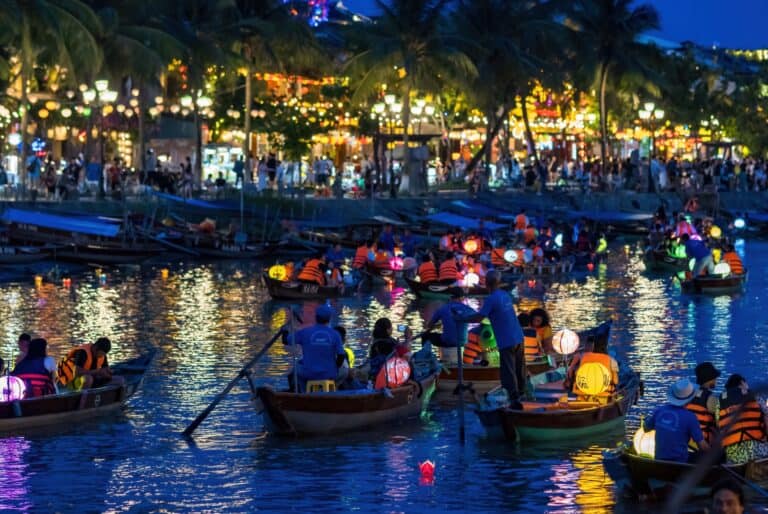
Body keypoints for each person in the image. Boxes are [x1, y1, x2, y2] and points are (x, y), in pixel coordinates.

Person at [454, 270, 525, 408]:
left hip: (506, 339)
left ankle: (514, 400)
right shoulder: (505, 295)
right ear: (498, 282)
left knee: (508, 372)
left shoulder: (491, 299)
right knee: (519, 368)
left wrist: (462, 319)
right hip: (518, 336)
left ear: (486, 284)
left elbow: (480, 317)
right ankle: (522, 393)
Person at [643, 378, 710, 463]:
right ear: (690, 398)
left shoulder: (659, 410)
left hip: (659, 460)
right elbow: (702, 446)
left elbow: (645, 428)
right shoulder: (690, 417)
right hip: (680, 461)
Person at [281, 305, 345, 392]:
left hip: (308, 373)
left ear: (316, 317)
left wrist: (285, 330)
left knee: (295, 370)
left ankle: (304, 393)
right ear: (329, 318)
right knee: (345, 371)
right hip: (329, 373)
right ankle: (333, 389)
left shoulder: (305, 332)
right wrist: (335, 368)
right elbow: (341, 355)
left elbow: (285, 340)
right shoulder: (335, 334)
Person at [717, 373, 768, 465]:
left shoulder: (720, 402)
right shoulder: (755, 396)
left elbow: (720, 425)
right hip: (759, 453)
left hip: (734, 458)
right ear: (742, 383)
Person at [565, 336, 619, 401]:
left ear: (592, 347)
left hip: (582, 393)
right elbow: (615, 381)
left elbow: (572, 374)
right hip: (603, 394)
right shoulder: (611, 360)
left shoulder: (584, 357)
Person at [686, 362, 721, 445]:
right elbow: (720, 423)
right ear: (710, 379)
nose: (716, 381)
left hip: (687, 440)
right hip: (704, 445)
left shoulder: (687, 395)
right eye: (715, 378)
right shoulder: (711, 398)